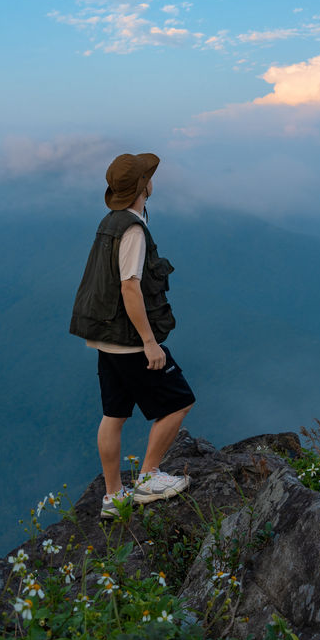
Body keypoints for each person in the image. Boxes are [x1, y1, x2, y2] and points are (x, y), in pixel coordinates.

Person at [70, 153, 196, 518]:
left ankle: (113, 497)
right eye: (148, 177)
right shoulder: (133, 229)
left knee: (114, 414)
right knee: (179, 402)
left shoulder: (109, 222)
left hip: (104, 336)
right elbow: (129, 287)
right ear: (143, 187)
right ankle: (148, 477)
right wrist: (149, 343)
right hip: (128, 340)